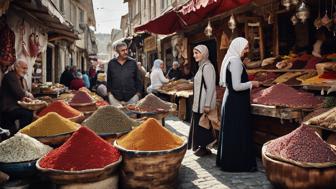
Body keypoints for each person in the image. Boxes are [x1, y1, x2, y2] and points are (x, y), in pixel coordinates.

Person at [217, 37, 260, 172]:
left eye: (247, 48)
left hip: (232, 100)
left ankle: (230, 161)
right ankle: (238, 164)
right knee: (238, 131)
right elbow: (236, 86)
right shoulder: (235, 61)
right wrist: (252, 84)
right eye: (245, 48)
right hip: (236, 101)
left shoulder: (232, 59)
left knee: (233, 131)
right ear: (238, 47)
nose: (246, 51)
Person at [188, 45, 216, 157]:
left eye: (197, 52)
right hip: (198, 102)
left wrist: (208, 104)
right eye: (194, 53)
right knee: (200, 124)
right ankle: (202, 146)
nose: (194, 55)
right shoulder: (201, 66)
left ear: (204, 53)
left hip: (203, 102)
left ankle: (204, 147)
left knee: (203, 125)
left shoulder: (207, 67)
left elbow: (210, 87)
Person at [0, 59, 34, 134]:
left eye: (26, 68)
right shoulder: (10, 76)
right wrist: (27, 94)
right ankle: (22, 133)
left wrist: (27, 96)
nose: (25, 71)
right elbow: (20, 93)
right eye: (23, 68)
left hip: (15, 106)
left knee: (29, 113)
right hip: (7, 109)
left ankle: (19, 132)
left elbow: (22, 93)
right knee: (27, 114)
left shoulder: (20, 78)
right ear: (16, 67)